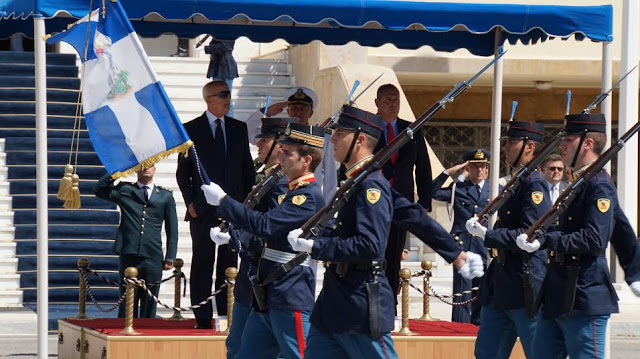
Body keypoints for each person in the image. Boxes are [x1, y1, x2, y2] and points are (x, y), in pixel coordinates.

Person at [202, 123, 325, 358]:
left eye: (287, 153)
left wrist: (224, 202)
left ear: (306, 161)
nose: (280, 155)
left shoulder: (306, 197)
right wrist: (234, 235)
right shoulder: (291, 190)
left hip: (290, 290)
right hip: (268, 288)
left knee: (296, 354)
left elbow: (266, 225)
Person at [516, 113, 633, 358]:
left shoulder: (598, 184)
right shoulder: (578, 182)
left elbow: (594, 239)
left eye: (568, 140)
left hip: (583, 293)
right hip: (558, 292)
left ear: (587, 143)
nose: (561, 145)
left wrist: (544, 240)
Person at [465, 121, 550, 359]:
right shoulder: (518, 180)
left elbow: (530, 232)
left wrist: (487, 234)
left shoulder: (534, 183)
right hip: (501, 282)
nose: (506, 149)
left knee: (537, 352)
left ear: (529, 146)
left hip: (525, 282)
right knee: (486, 352)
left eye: (512, 143)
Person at [176, 80, 255, 329]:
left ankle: (225, 313)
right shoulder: (190, 130)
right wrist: (190, 202)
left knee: (229, 263)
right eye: (223, 95)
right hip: (202, 209)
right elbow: (182, 173)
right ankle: (202, 317)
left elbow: (247, 169)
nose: (228, 99)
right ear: (209, 99)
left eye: (228, 94)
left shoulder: (238, 128)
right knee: (202, 261)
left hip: (231, 207)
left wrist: (246, 205)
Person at [216, 117, 295, 359]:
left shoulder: (281, 185)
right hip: (249, 274)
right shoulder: (265, 178)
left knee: (265, 349)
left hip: (265, 271)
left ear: (280, 146)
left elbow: (269, 229)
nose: (258, 144)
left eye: (265, 139)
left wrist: (236, 237)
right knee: (238, 347)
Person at [374, 83, 433, 305]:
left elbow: (423, 167)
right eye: (387, 100)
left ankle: (391, 304)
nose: (393, 104)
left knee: (395, 253)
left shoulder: (412, 129)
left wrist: (424, 202)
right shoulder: (369, 128)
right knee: (374, 252)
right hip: (374, 201)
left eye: (396, 100)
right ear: (377, 103)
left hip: (400, 202)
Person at [93, 166, 178, 318]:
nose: (146, 168)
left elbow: (172, 230)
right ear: (136, 169)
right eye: (142, 165)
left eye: (150, 165)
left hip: (153, 255)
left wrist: (170, 256)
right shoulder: (125, 190)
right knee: (127, 301)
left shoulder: (165, 195)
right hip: (129, 253)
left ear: (155, 169)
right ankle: (124, 337)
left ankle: (147, 337)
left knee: (149, 303)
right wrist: (116, 171)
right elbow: (99, 189)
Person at [432, 148, 492, 325]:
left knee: (483, 291)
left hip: (484, 246)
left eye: (482, 166)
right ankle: (460, 330)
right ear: (469, 168)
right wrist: (450, 171)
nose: (479, 170)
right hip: (463, 246)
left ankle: (479, 327)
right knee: (462, 292)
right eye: (475, 166)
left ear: (487, 169)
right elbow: (433, 191)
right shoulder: (458, 187)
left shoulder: (495, 189)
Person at [246, 86, 337, 201]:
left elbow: (330, 179)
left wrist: (324, 210)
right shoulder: (279, 134)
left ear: (311, 112)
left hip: (309, 198)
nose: (298, 112)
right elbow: (247, 133)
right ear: (288, 111)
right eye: (294, 107)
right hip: (281, 195)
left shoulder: (322, 138)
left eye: (303, 108)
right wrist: (265, 112)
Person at [204, 37, 238, 117]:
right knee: (216, 95)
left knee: (226, 96)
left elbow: (225, 46)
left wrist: (207, 48)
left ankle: (229, 119)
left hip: (226, 66)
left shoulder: (230, 32)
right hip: (217, 65)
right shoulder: (216, 34)